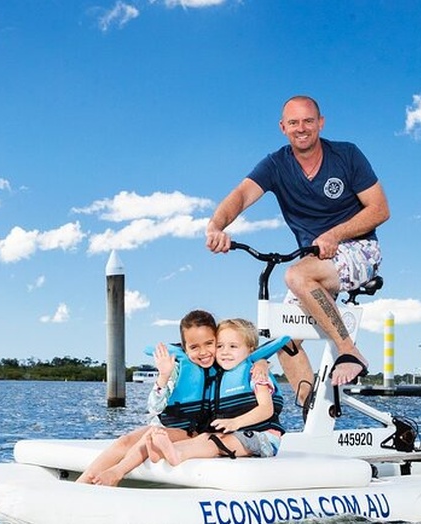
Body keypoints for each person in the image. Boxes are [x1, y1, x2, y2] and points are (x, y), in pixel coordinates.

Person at [205, 95, 390, 399]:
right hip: (314, 261)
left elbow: (380, 209)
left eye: (308, 121)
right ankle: (311, 416)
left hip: (360, 249)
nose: (301, 128)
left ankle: (350, 351)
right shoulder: (276, 164)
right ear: (283, 127)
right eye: (294, 122)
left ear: (321, 123)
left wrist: (335, 234)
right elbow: (240, 195)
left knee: (296, 276)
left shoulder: (346, 155)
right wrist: (216, 226)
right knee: (284, 340)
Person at [76, 309, 219, 485]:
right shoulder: (177, 368)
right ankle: (82, 484)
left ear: (217, 340)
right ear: (184, 347)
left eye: (209, 343)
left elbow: (249, 353)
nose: (203, 352)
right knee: (125, 441)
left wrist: (259, 363)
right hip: (170, 426)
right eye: (194, 347)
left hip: (196, 433)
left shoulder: (226, 362)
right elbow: (155, 408)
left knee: (151, 436)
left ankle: (115, 474)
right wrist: (164, 376)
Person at [147, 318, 284, 466]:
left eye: (233, 346)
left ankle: (178, 455)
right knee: (204, 437)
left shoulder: (256, 374)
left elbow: (266, 409)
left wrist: (235, 422)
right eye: (220, 346)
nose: (225, 352)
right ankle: (162, 451)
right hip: (234, 434)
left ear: (251, 349)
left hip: (263, 438)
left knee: (216, 442)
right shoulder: (218, 373)